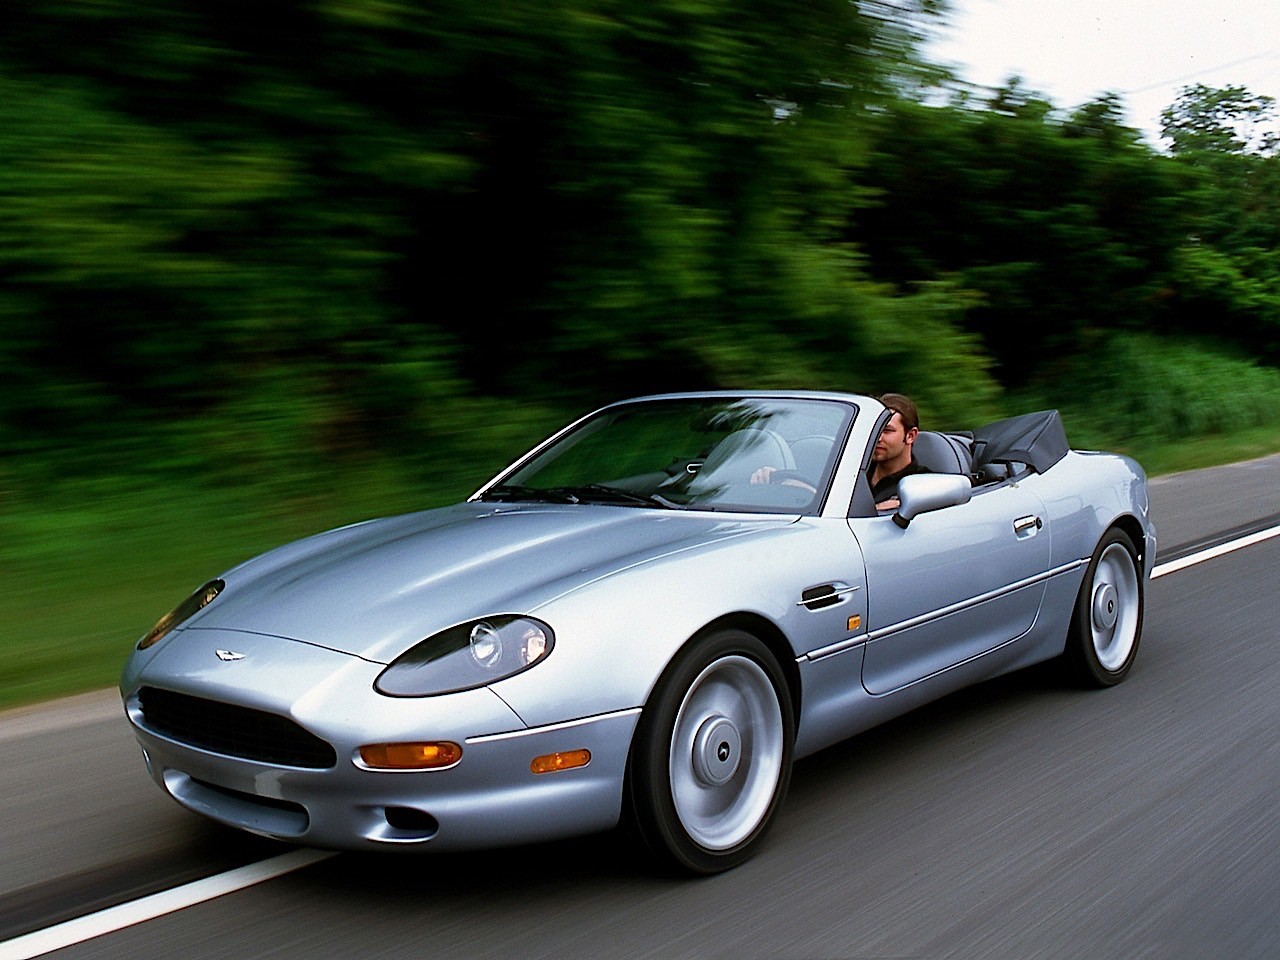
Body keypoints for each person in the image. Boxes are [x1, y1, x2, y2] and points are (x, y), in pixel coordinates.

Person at [868, 393, 925, 511]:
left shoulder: (922, 486)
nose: (878, 438)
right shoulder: (852, 472)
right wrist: (875, 509)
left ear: (910, 436)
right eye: (874, 430)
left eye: (887, 430)